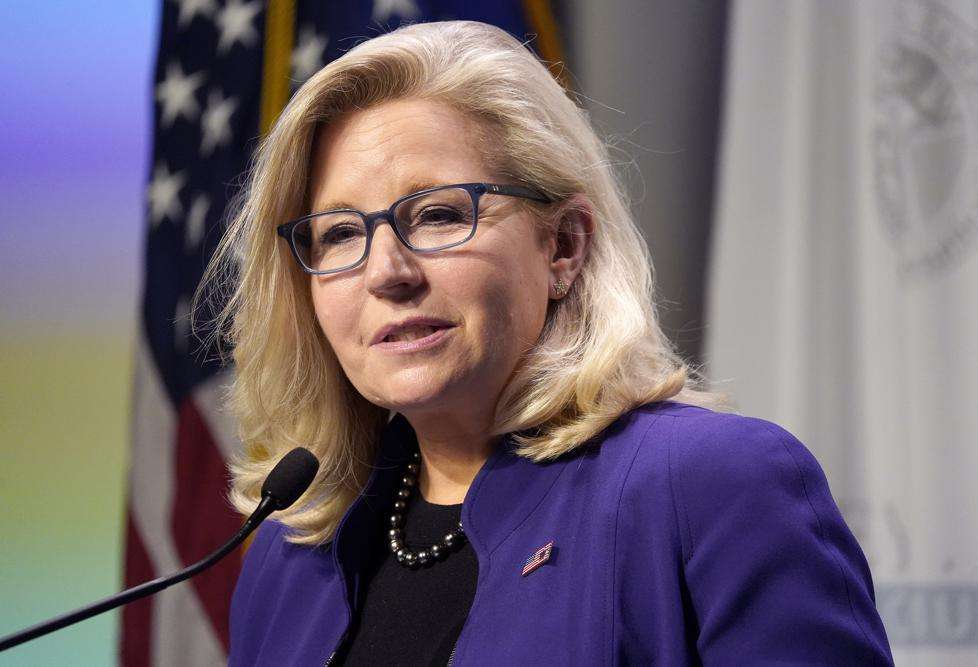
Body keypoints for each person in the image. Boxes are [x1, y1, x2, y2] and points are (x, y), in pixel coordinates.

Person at [211, 20, 894, 666]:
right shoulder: (290, 550)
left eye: (439, 214)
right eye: (339, 234)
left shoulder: (714, 485)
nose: (387, 272)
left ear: (563, 245)